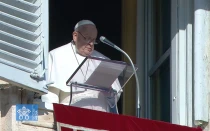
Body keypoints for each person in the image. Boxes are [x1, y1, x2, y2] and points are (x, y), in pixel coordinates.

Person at [41, 20, 122, 113]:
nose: (91, 44)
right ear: (75, 36)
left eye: (93, 40)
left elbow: (115, 97)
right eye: (87, 38)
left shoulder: (104, 60)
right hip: (71, 114)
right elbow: (51, 94)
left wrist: (110, 94)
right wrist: (52, 117)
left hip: (100, 117)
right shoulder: (57, 55)